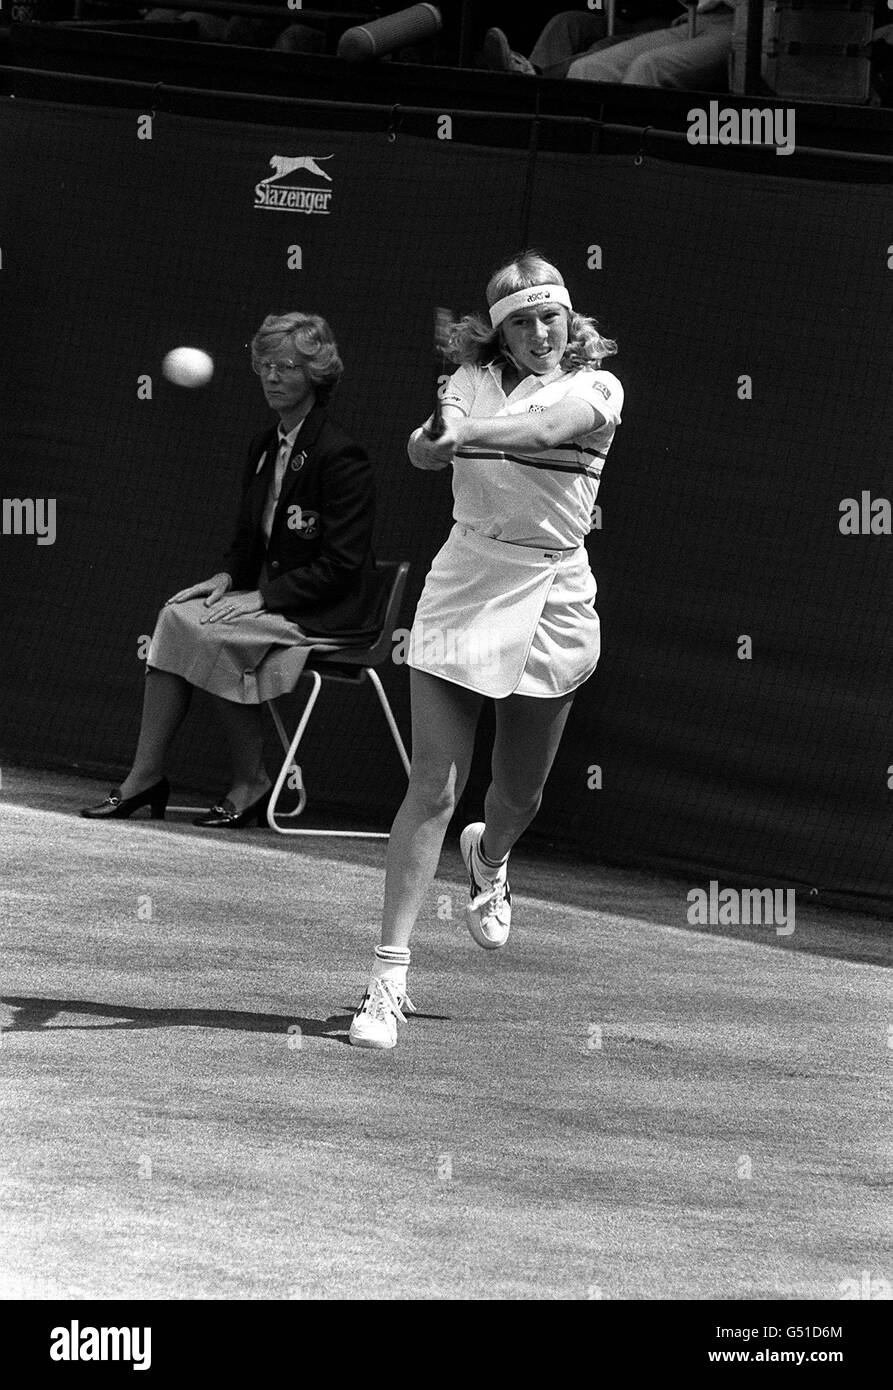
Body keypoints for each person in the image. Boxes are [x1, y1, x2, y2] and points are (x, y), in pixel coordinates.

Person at [349, 251, 624, 1049]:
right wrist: (433, 439)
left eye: (552, 317)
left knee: (515, 794)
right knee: (431, 786)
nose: (541, 332)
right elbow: (420, 450)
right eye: (522, 322)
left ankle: (490, 859)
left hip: (553, 592)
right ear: (497, 333)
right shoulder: (467, 384)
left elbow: (544, 430)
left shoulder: (597, 387)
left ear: (570, 320)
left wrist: (463, 432)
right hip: (466, 576)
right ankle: (385, 980)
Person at [82, 312, 384, 828]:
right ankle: (145, 776)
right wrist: (227, 578)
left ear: (315, 373)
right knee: (177, 616)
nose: (271, 377)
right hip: (273, 598)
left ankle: (252, 782)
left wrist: (263, 598)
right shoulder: (264, 446)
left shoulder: (341, 455)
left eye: (285, 366)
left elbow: (343, 564)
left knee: (215, 634)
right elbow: (249, 541)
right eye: (263, 365)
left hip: (328, 609)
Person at [484, 2, 737, 91]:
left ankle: (624, 169)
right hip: (694, 18)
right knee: (589, 69)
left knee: (648, 66)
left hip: (743, 23)